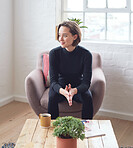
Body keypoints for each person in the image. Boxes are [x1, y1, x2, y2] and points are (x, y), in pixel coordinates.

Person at [48, 21, 93, 119]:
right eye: (59, 35)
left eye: (65, 36)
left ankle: (87, 127)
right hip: (60, 85)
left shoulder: (86, 55)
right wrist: (63, 91)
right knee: (52, 97)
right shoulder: (54, 53)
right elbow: (53, 81)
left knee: (87, 97)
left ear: (75, 37)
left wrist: (74, 91)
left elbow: (86, 83)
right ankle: (52, 128)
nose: (60, 39)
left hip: (78, 85)